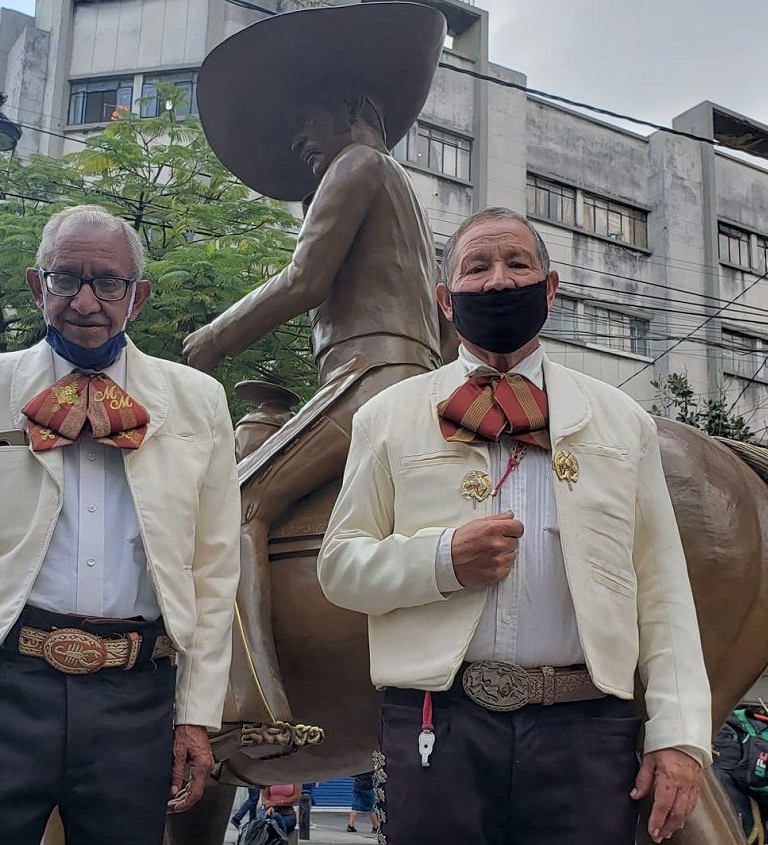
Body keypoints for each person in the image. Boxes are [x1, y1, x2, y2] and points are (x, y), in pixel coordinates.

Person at [318, 208, 712, 845]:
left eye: (517, 264)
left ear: (550, 289)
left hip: (587, 726)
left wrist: (680, 735)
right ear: (446, 301)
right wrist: (442, 561)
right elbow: (339, 568)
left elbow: (663, 591)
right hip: (437, 724)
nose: (499, 282)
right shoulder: (388, 418)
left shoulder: (621, 422)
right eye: (478, 268)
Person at [0, 205, 241, 845]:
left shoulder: (198, 401)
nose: (85, 300)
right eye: (65, 279)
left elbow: (214, 572)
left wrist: (196, 716)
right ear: (34, 284)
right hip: (0, 690)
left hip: (138, 698)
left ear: (138, 297)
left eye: (108, 283)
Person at [183, 0, 453, 750]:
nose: (299, 138)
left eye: (308, 119)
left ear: (357, 110)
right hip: (407, 373)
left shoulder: (357, 163)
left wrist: (212, 338)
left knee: (235, 502)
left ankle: (245, 695)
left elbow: (305, 278)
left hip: (368, 377)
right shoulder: (408, 203)